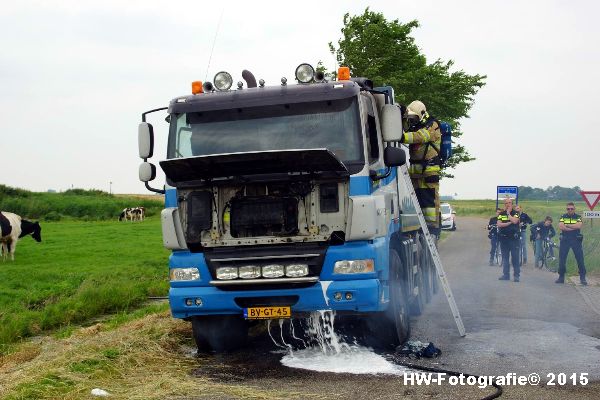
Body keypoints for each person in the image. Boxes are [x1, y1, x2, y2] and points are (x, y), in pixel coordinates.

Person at [402, 100, 442, 236]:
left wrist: (401, 137)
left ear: (422, 114)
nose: (412, 121)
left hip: (429, 172)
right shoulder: (417, 126)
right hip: (415, 173)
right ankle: (420, 227)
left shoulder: (432, 125)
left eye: (414, 118)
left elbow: (420, 137)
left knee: (429, 203)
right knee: (416, 202)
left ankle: (433, 228)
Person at [556, 202, 587, 285]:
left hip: (575, 240)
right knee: (562, 259)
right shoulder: (563, 216)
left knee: (580, 259)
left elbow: (579, 226)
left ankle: (582, 278)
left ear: (574, 209)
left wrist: (568, 226)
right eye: (568, 209)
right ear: (566, 209)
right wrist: (572, 227)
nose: (570, 210)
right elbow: (561, 226)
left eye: (571, 208)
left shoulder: (578, 217)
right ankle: (561, 277)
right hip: (565, 240)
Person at [497, 198, 521, 282]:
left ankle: (516, 276)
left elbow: (515, 221)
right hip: (504, 239)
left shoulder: (516, 213)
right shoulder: (501, 213)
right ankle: (506, 275)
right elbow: (499, 224)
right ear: (504, 204)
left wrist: (508, 214)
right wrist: (508, 223)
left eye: (509, 203)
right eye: (506, 203)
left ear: (512, 204)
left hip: (514, 239)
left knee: (515, 258)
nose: (508, 204)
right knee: (505, 258)